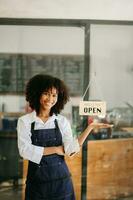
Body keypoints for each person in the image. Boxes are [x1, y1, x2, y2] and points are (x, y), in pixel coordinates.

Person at [17, 74, 113, 200]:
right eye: (46, 93)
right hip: (37, 184)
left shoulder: (62, 121)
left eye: (54, 95)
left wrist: (89, 128)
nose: (50, 98)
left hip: (61, 182)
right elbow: (25, 151)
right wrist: (56, 149)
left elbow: (70, 150)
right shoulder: (25, 121)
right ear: (37, 93)